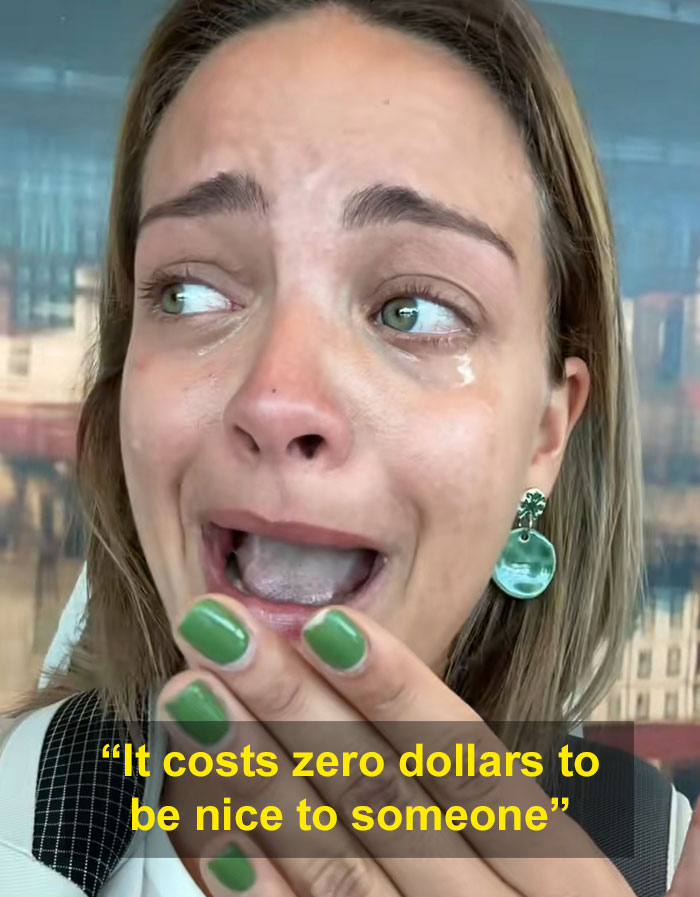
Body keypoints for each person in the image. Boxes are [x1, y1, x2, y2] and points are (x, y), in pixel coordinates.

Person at [0, 1, 696, 895]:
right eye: (187, 291)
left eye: (415, 310)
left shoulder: (651, 854)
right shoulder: (24, 821)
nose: (277, 398)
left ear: (546, 434)